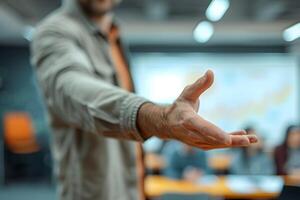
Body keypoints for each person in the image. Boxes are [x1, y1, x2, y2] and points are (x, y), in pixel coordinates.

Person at [30, 0, 257, 199]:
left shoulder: (114, 36)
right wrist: (161, 119)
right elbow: (74, 90)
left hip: (133, 188)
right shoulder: (53, 32)